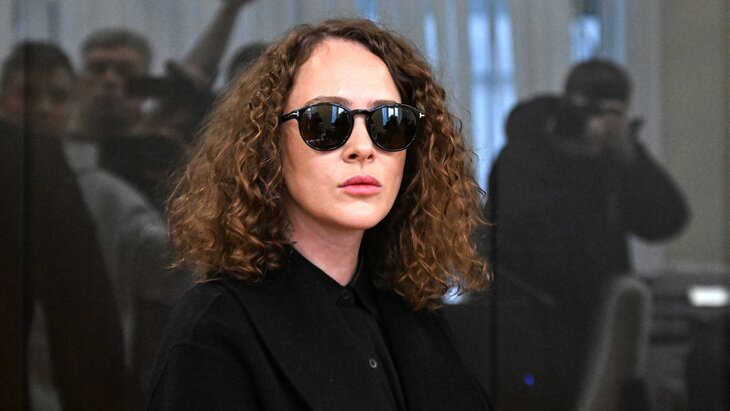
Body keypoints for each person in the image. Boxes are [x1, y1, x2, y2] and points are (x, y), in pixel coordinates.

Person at [148, 18, 493, 410]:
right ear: (268, 144)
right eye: (326, 121)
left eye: (389, 122)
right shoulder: (215, 326)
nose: (363, 148)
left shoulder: (416, 313)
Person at [486, 59, 689, 409]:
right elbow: (534, 243)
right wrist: (577, 161)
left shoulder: (613, 158)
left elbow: (667, 220)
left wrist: (632, 158)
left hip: (600, 318)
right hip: (533, 322)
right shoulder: (525, 154)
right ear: (567, 105)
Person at [0, 42, 127, 410]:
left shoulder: (106, 192)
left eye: (57, 97)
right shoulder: (37, 164)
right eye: (28, 94)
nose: (43, 109)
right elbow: (83, 323)